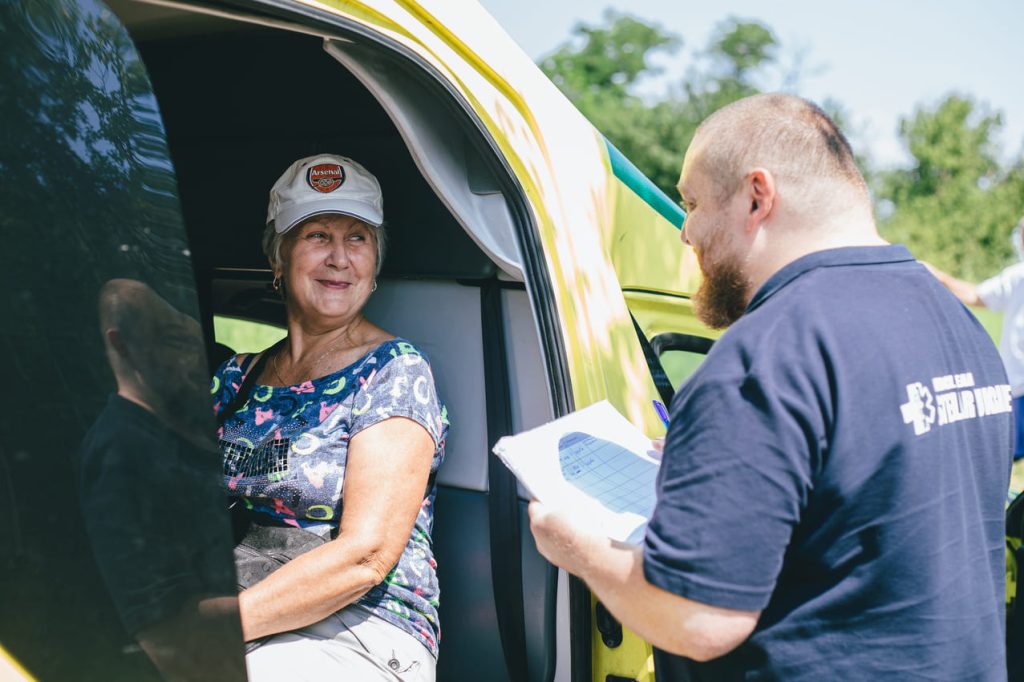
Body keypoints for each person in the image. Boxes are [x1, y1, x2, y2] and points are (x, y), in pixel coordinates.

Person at [529, 94, 1012, 679]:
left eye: (691, 203)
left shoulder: (764, 358)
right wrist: (719, 459)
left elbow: (702, 621)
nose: (685, 231)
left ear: (757, 196)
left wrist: (572, 544)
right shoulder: (952, 319)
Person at [211, 154, 448, 681]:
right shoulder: (235, 376)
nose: (340, 258)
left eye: (358, 238)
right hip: (238, 606)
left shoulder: (394, 371)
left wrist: (211, 627)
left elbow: (365, 555)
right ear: (279, 257)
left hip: (355, 629)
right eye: (318, 235)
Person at [80, 279, 244, 682]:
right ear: (122, 346)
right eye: (175, 342)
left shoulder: (190, 421)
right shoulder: (121, 454)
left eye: (195, 343)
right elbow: (167, 631)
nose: (195, 360)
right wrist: (296, 599)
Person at [926, 215, 1024, 462]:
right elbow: (976, 295)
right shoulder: (1017, 277)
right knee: (1000, 460)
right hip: (1016, 389)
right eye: (1021, 231)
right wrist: (937, 276)